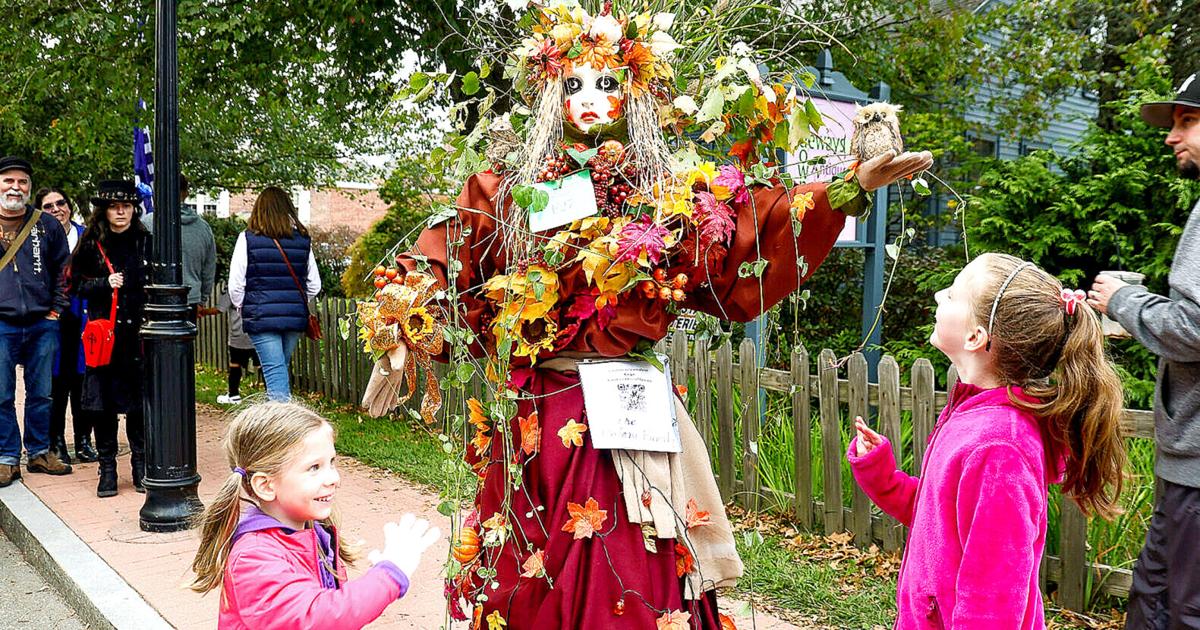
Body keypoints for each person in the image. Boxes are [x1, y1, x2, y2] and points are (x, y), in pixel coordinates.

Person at [360, 5, 932, 627]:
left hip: (624, 413)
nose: (588, 98)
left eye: (606, 83)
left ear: (633, 91)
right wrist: (405, 317)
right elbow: (453, 264)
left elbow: (753, 236)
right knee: (530, 569)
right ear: (550, 90)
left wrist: (849, 187)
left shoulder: (667, 191)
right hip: (539, 419)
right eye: (573, 83)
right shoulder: (506, 190)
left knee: (630, 565)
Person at [848, 253, 1127, 629]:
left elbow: (993, 601)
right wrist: (880, 474)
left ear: (976, 336)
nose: (938, 295)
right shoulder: (974, 418)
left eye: (953, 295)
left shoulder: (998, 448)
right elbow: (936, 519)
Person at [1088, 72, 1200, 630]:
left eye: (1187, 120)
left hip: (1197, 471)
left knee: (1181, 610)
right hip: (1185, 464)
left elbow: (1195, 328)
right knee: (1153, 594)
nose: (1170, 136)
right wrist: (1140, 318)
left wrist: (1124, 300)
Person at [188, 401, 441, 629]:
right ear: (265, 485)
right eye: (314, 468)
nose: (333, 478)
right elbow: (316, 618)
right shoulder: (253, 557)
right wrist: (388, 576)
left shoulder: (311, 532)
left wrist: (372, 584)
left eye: (332, 462)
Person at [69, 180, 152, 497]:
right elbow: (74, 285)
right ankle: (107, 468)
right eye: (115, 206)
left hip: (138, 336)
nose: (121, 211)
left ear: (134, 209)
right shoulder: (91, 245)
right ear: (104, 210)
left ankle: (141, 465)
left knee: (137, 407)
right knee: (103, 407)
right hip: (105, 337)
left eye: (127, 206)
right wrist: (104, 282)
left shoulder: (145, 241)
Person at [0, 156, 73, 487]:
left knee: (42, 393)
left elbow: (63, 271)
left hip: (43, 322)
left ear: (29, 186)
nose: (16, 187)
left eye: (22, 182)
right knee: (1, 393)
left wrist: (55, 309)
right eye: (9, 181)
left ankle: (40, 452)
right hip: (2, 325)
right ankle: (6, 457)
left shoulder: (46, 224)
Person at [228, 187, 320, 402]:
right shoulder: (302, 239)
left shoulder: (248, 238)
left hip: (261, 316)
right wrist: (294, 302)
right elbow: (314, 284)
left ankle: (285, 430)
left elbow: (236, 284)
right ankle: (278, 425)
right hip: (293, 316)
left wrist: (245, 307)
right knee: (279, 368)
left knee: (274, 372)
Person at [34, 187, 97, 464]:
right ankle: (56, 441)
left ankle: (84, 440)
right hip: (53, 318)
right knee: (56, 383)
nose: (56, 209)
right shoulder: (37, 238)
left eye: (61, 203)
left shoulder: (87, 236)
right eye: (48, 206)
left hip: (85, 318)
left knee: (84, 382)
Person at [141, 174, 216, 323]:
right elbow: (209, 269)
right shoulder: (203, 228)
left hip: (154, 299)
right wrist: (201, 299)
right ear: (186, 193)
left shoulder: (148, 223)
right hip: (190, 298)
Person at [216, 287, 259, 405]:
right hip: (258, 332)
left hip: (238, 335)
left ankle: (234, 395)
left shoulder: (232, 289)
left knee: (235, 364)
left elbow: (220, 309)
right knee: (263, 366)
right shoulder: (258, 285)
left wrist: (203, 312)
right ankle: (270, 395)